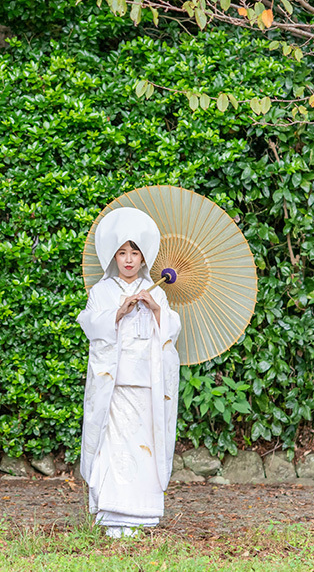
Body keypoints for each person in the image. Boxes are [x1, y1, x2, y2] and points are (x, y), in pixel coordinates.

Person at [77, 207, 182, 538]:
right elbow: (90, 324)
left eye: (134, 252)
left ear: (143, 256)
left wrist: (154, 309)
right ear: (113, 255)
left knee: (143, 445)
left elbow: (171, 332)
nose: (127, 259)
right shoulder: (101, 292)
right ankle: (110, 514)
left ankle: (141, 515)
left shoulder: (158, 292)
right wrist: (118, 313)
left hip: (146, 385)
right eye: (121, 252)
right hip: (114, 384)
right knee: (112, 446)